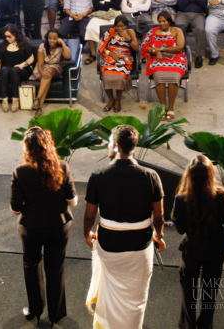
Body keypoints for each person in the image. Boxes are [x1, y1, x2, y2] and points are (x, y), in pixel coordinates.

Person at [84, 125, 165, 329]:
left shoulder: (98, 175)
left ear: (117, 147)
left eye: (110, 142)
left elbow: (90, 214)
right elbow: (159, 215)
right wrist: (159, 235)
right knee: (136, 297)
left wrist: (87, 233)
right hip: (140, 245)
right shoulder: (150, 175)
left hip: (109, 244)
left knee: (110, 289)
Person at [11, 127, 77, 326]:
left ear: (27, 148)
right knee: (55, 268)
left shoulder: (20, 172)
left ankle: (34, 310)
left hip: (31, 226)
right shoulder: (62, 167)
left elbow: (15, 208)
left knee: (31, 265)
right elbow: (72, 201)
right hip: (59, 225)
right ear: (49, 146)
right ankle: (56, 313)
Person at [172, 154, 224, 329]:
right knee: (210, 289)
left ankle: (188, 325)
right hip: (216, 249)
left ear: (189, 174)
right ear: (210, 174)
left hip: (192, 249)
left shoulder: (181, 199)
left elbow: (180, 228)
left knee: (188, 290)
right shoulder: (222, 194)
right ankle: (205, 325)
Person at [141, 11, 188, 121]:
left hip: (176, 58)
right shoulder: (153, 32)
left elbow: (180, 48)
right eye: (160, 21)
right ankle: (162, 108)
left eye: (164, 21)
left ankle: (170, 108)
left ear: (169, 21)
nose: (162, 24)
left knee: (174, 76)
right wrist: (156, 52)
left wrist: (161, 49)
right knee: (158, 76)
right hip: (158, 59)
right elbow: (145, 47)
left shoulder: (177, 31)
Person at [99, 15, 139, 113]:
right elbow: (100, 45)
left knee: (120, 77)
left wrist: (127, 38)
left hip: (125, 58)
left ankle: (118, 100)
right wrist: (111, 54)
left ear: (126, 26)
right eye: (118, 26)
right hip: (110, 57)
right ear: (115, 26)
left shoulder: (130, 32)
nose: (120, 29)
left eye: (123, 26)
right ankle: (111, 99)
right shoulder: (110, 32)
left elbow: (136, 48)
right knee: (106, 77)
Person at [0, 24, 35, 113]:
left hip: (22, 70)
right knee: (5, 69)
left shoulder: (24, 45)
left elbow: (31, 58)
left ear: (15, 35)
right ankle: (5, 99)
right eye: (5, 36)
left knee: (14, 70)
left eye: (9, 36)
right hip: (7, 70)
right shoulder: (3, 45)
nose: (7, 38)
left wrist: (23, 64)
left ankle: (15, 99)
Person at [29, 29, 71, 116]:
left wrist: (62, 43)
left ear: (59, 38)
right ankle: (39, 108)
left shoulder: (62, 47)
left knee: (50, 72)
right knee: (46, 78)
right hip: (42, 68)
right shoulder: (42, 46)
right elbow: (40, 65)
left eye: (55, 38)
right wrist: (42, 72)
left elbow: (67, 56)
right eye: (50, 38)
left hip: (55, 68)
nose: (52, 40)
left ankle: (37, 98)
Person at [176, 0, 209, 69]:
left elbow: (203, 5)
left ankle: (199, 56)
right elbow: (180, 6)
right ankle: (181, 53)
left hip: (198, 14)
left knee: (200, 29)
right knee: (179, 27)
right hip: (183, 13)